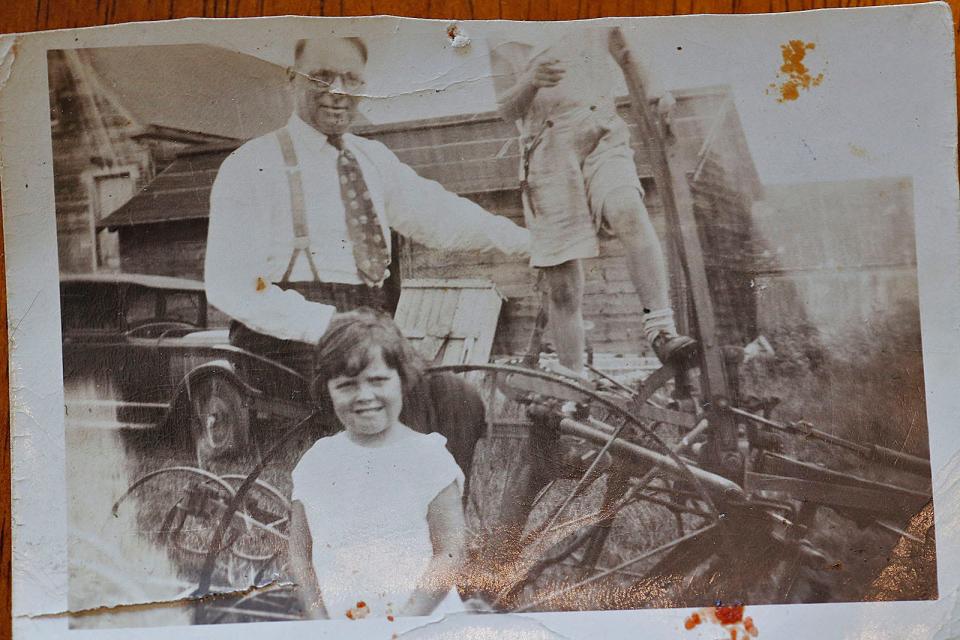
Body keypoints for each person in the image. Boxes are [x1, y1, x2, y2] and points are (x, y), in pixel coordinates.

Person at [204, 37, 530, 465]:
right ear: (291, 81)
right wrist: (326, 325)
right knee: (389, 410)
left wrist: (529, 243)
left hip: (371, 320)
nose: (338, 92)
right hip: (289, 336)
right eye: (321, 77)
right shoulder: (252, 164)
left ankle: (441, 523)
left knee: (458, 402)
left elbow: (442, 216)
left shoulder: (372, 159)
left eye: (351, 79)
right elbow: (230, 285)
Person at [488, 28, 697, 377]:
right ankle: (575, 384)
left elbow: (628, 53)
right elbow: (505, 109)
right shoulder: (501, 34)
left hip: (600, 133)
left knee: (627, 209)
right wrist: (530, 81)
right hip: (546, 151)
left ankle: (661, 330)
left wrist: (656, 89)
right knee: (564, 288)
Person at [288, 310, 467, 620]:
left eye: (378, 380)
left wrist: (401, 626)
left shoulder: (428, 458)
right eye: (347, 385)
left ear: (402, 380)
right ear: (326, 388)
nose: (365, 396)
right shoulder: (317, 462)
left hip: (419, 623)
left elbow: (450, 554)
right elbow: (299, 556)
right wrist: (320, 623)